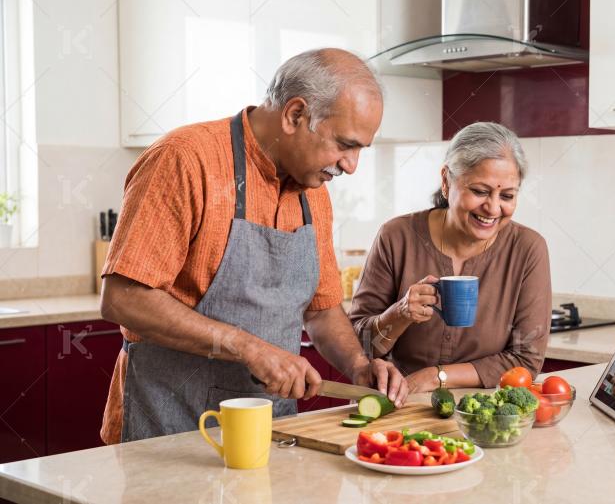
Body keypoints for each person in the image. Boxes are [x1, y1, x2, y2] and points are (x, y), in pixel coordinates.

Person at [100, 48, 409, 444]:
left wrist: (359, 365)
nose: (351, 165)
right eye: (345, 145)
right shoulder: (185, 159)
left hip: (267, 429)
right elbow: (124, 299)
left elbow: (322, 309)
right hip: (168, 422)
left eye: (360, 149)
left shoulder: (314, 190)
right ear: (295, 115)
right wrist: (249, 348)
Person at [349, 122, 551, 392]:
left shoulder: (528, 249)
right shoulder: (396, 236)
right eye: (480, 191)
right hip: (396, 407)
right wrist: (400, 314)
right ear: (446, 180)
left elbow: (526, 360)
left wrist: (435, 377)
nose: (492, 208)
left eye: (507, 195)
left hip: (480, 416)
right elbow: (359, 346)